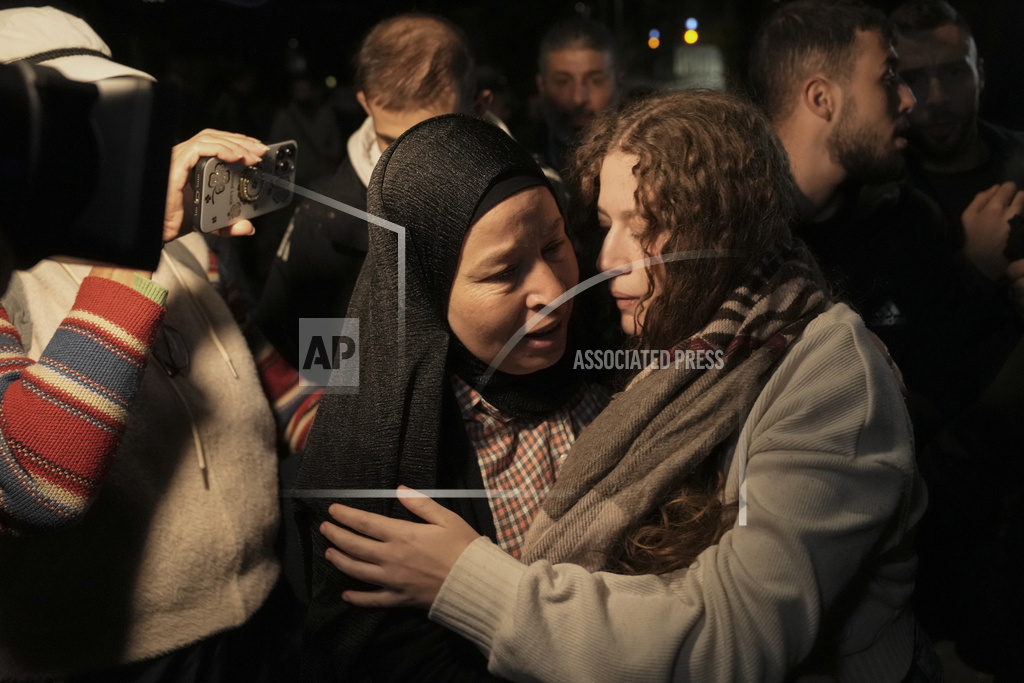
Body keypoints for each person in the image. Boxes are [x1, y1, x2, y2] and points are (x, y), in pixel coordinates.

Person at [317, 90, 930, 682]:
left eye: (646, 227)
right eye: (605, 224)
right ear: (425, 287)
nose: (598, 263)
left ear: (725, 227)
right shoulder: (391, 432)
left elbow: (731, 637)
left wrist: (472, 581)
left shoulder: (794, 363)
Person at [0, 7, 301, 681]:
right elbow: (32, 482)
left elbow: (263, 366)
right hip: (102, 658)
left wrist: (357, 424)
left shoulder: (186, 239)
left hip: (260, 615)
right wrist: (132, 243)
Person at [294, 114, 608, 681]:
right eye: (505, 272)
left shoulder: (610, 362)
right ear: (426, 288)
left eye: (556, 246)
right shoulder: (386, 455)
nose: (557, 292)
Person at [748, 0, 1022, 438]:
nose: (912, 99)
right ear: (821, 98)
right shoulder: (730, 233)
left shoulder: (906, 221)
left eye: (954, 72)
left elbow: (947, 396)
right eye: (891, 77)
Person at [257, 14, 487, 369]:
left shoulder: (532, 194)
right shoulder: (325, 220)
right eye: (393, 143)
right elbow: (320, 366)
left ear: (479, 106)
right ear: (366, 103)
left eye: (435, 139)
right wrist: (369, 398)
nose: (414, 164)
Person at [892, 0, 1024, 250]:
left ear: (980, 75)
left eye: (954, 72)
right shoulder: (877, 196)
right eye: (913, 79)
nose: (937, 98)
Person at [519, 17, 619, 174]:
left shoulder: (646, 161)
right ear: (541, 85)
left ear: (618, 82)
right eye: (562, 82)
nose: (578, 98)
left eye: (595, 81)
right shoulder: (516, 158)